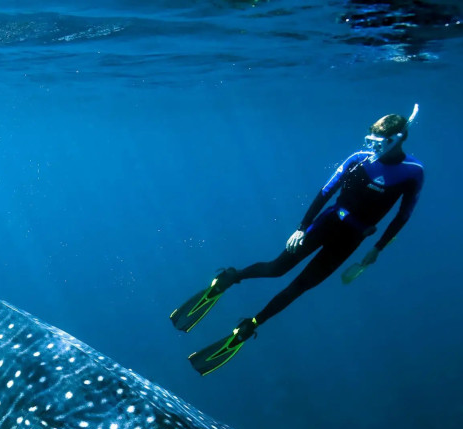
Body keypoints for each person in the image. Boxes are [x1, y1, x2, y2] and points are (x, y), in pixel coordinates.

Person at [172, 106, 425, 375]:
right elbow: (326, 192)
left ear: (397, 139)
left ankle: (250, 325)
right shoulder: (359, 159)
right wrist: (301, 228)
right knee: (276, 268)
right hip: (327, 224)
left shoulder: (413, 172)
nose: (373, 147)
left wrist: (377, 248)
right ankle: (231, 278)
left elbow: (403, 216)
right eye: (370, 140)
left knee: (302, 285)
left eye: (379, 142)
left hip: (352, 238)